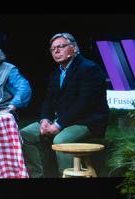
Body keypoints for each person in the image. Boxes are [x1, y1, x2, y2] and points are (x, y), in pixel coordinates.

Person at [20, 32, 109, 177]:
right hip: (61, 120)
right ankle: (37, 176)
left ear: (74, 48)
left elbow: (85, 104)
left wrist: (59, 124)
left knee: (61, 140)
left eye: (61, 46)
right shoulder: (56, 73)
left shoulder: (89, 69)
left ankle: (67, 176)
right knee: (24, 135)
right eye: (53, 48)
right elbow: (48, 100)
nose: (56, 51)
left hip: (86, 121)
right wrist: (44, 120)